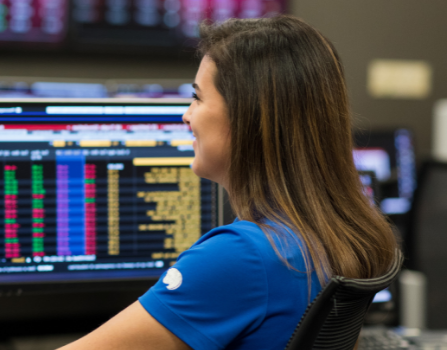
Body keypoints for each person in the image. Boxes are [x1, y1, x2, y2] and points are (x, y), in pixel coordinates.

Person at [59, 15, 398, 350]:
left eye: (197, 96)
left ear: (247, 116)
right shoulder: (338, 235)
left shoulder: (242, 257)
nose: (186, 115)